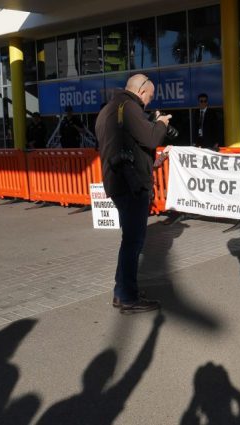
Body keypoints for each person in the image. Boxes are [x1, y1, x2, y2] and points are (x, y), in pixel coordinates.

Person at [96, 74, 171, 315]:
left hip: (120, 182)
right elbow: (151, 137)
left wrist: (156, 161)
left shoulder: (108, 110)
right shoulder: (128, 108)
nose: (148, 102)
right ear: (140, 91)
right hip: (131, 186)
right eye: (149, 96)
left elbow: (129, 148)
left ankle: (124, 292)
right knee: (132, 242)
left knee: (130, 240)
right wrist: (161, 123)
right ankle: (127, 296)